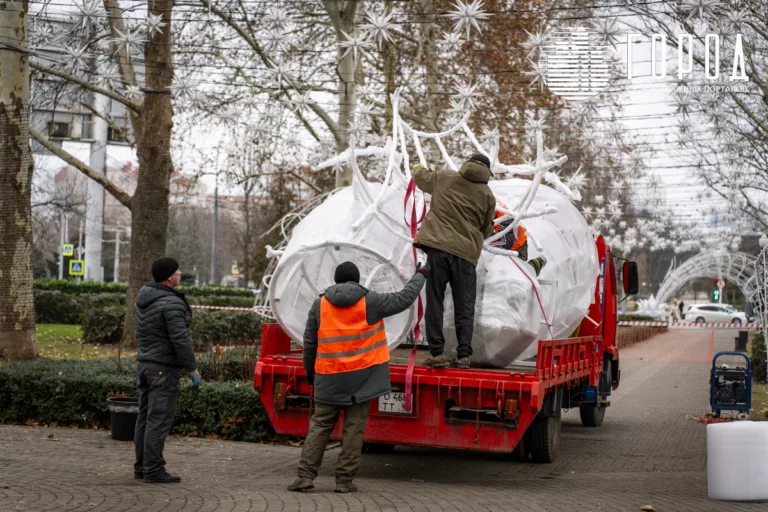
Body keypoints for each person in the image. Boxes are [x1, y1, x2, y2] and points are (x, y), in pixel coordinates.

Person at [288, 261, 427, 494]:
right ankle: (344, 481)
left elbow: (310, 343)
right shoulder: (370, 302)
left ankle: (305, 477)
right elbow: (404, 298)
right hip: (363, 380)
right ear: (357, 280)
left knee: (320, 427)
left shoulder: (319, 304)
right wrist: (420, 275)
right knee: (353, 430)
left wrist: (310, 373)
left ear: (335, 280)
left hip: (328, 377)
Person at [411, 154, 497, 369]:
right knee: (464, 306)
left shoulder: (446, 177)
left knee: (435, 302)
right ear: (487, 172)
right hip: (466, 256)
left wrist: (418, 165)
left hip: (438, 250)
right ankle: (463, 356)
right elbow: (486, 230)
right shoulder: (487, 195)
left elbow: (421, 178)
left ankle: (437, 353)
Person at [133, 257, 201, 484]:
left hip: (145, 366)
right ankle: (153, 470)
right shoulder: (170, 302)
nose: (180, 273)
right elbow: (180, 340)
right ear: (168, 276)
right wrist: (193, 369)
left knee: (144, 418)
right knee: (158, 420)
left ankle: (142, 467)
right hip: (162, 370)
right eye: (177, 270)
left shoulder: (142, 298)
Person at [492, 207, 547, 276]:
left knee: (519, 275)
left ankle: (537, 263)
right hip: (505, 242)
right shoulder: (491, 208)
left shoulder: (504, 219)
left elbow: (506, 244)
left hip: (518, 248)